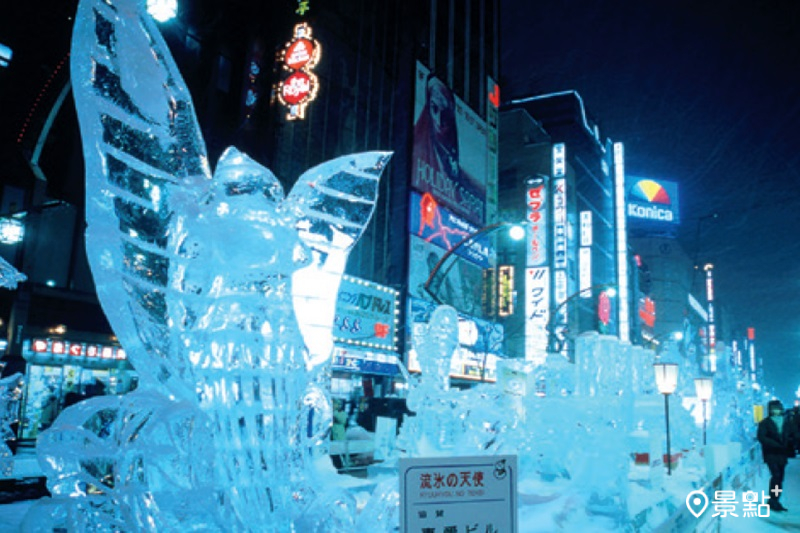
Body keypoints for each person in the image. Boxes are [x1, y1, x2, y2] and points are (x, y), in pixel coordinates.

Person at [757, 399, 797, 512]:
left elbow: (794, 434)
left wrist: (791, 441)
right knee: (776, 475)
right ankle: (773, 500)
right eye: (773, 408)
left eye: (777, 408)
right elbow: (762, 437)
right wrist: (775, 444)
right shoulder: (765, 423)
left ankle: (775, 499)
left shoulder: (786, 422)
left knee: (780, 478)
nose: (776, 410)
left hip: (782, 454)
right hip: (771, 453)